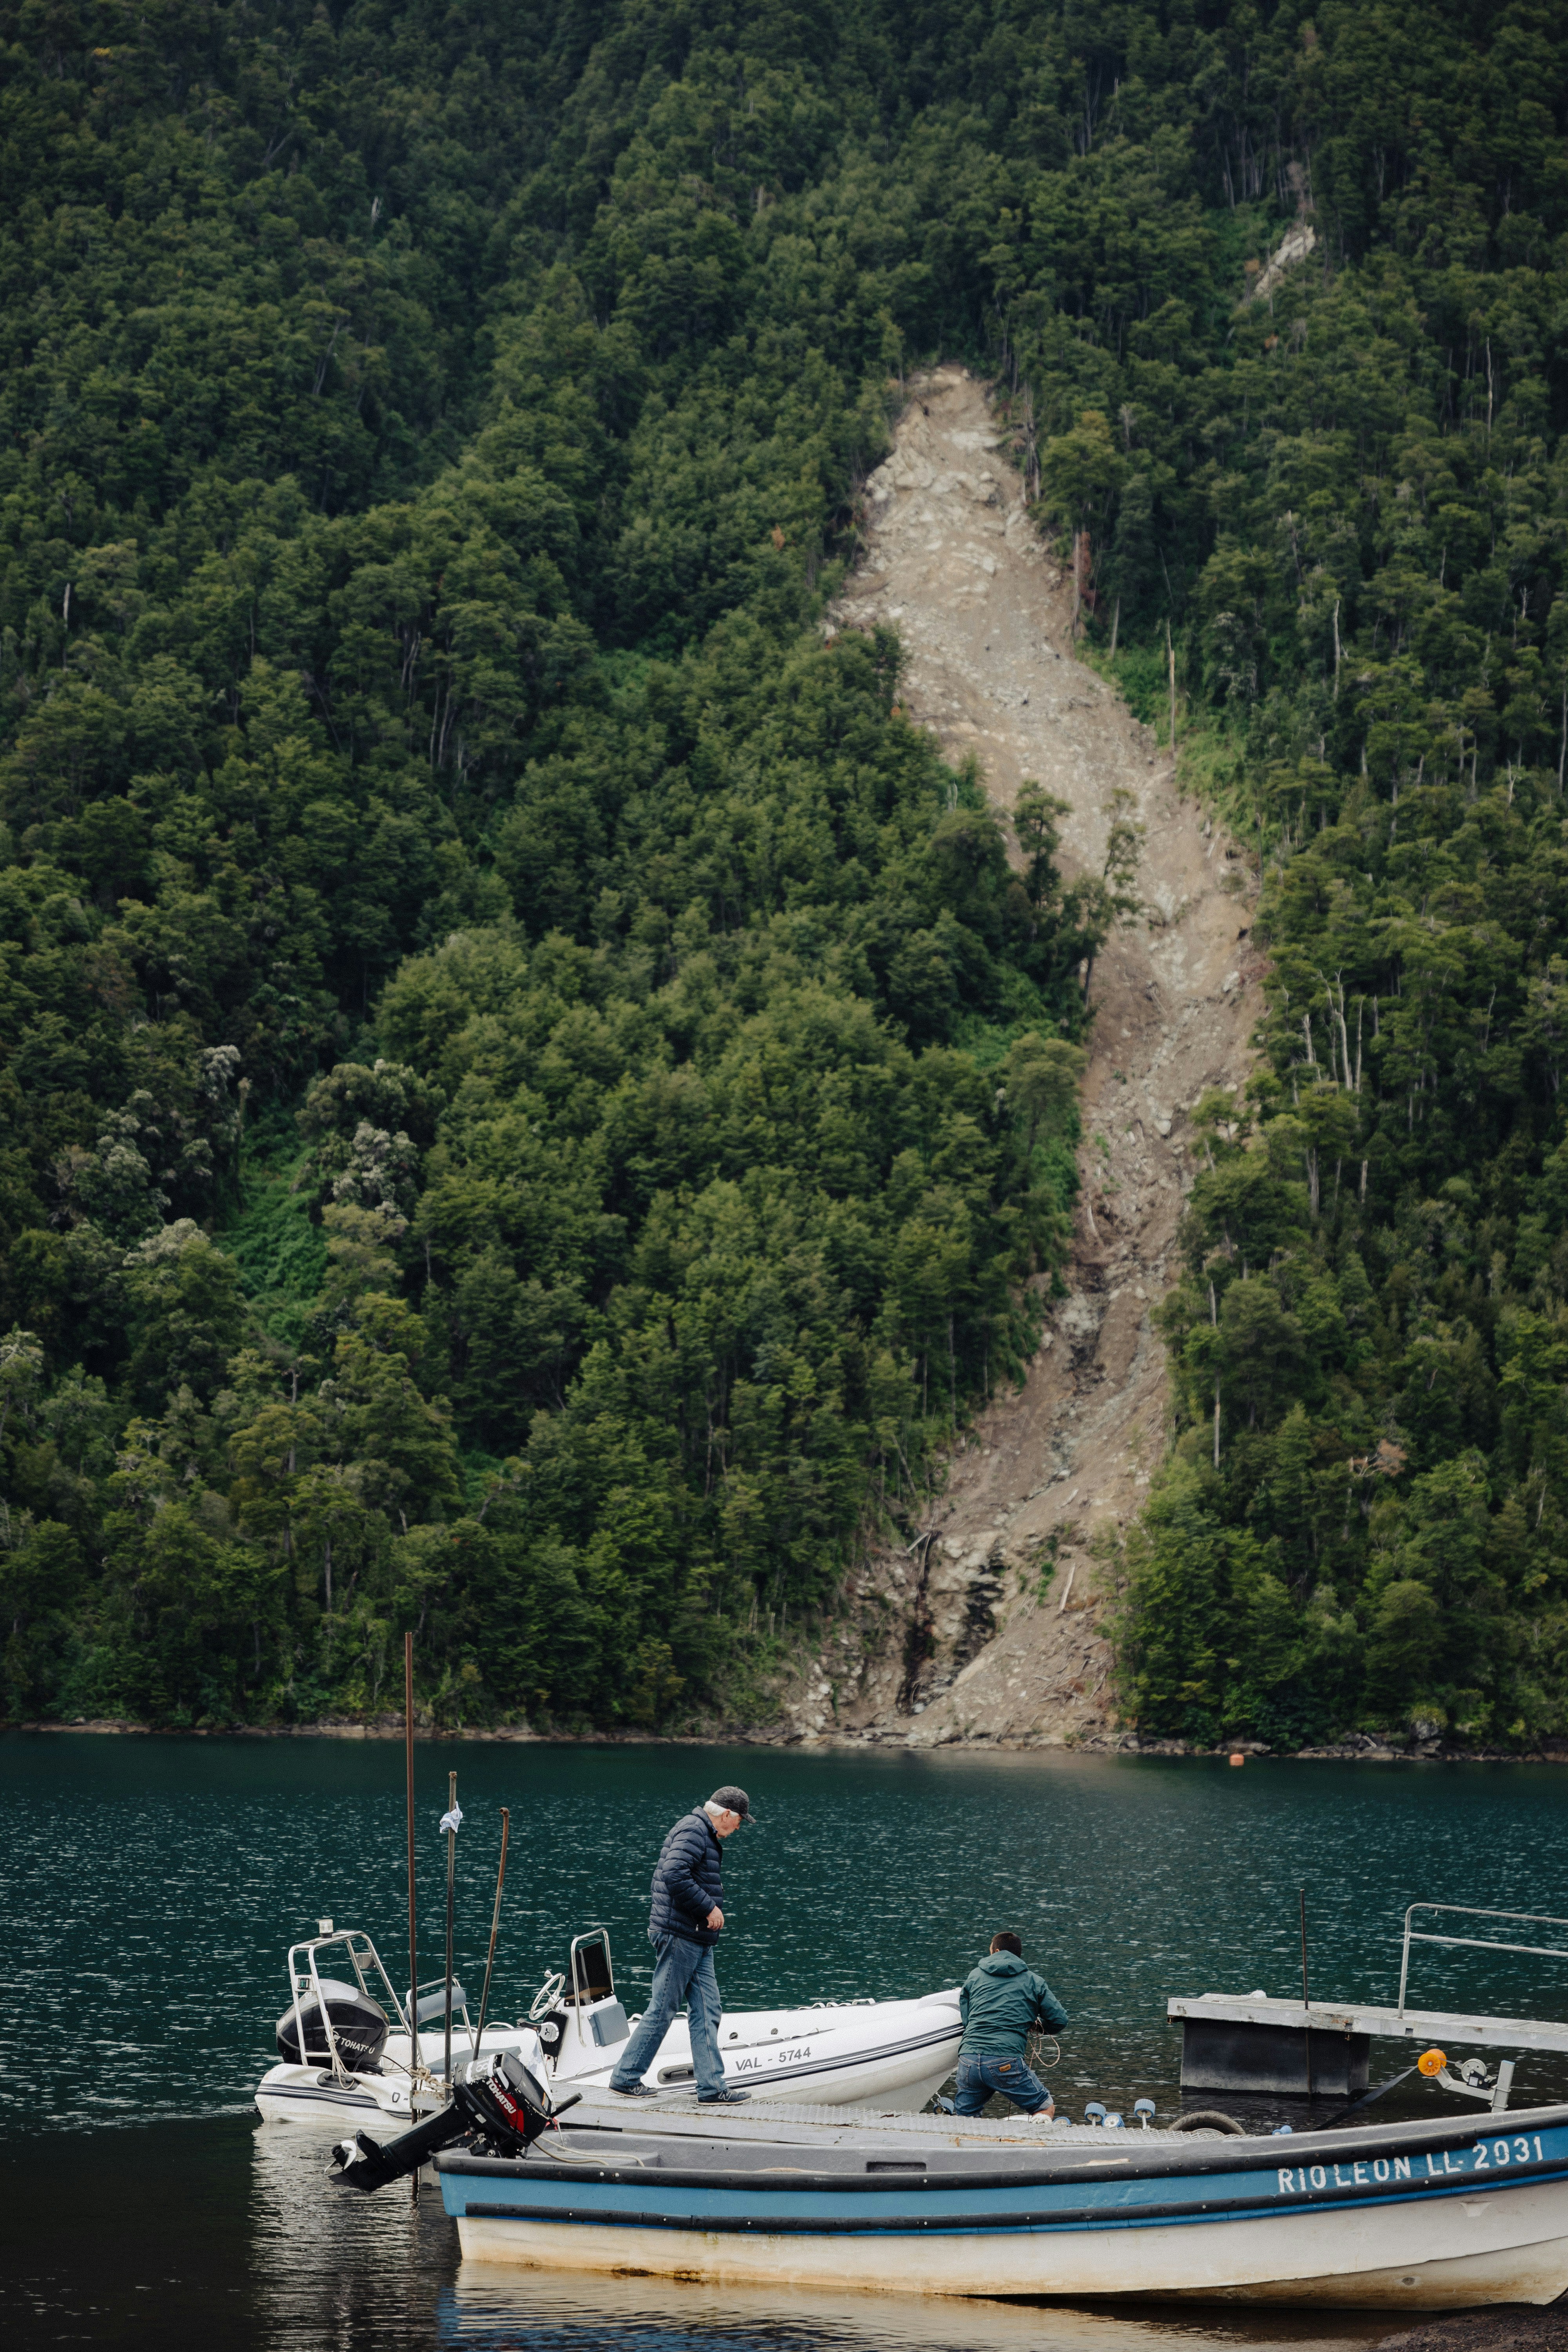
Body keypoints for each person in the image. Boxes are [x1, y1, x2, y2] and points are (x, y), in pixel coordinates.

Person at [608, 1785, 755, 2104]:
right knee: (663, 2009)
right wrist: (709, 1907)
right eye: (740, 1820)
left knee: (708, 2008)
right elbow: (674, 1874)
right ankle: (625, 2078)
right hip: (680, 1935)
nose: (739, 1827)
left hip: (696, 1936)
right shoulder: (694, 1829)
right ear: (726, 1814)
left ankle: (712, 2089)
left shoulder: (703, 1832)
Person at [953, 1930, 1068, 2118]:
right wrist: (1039, 2027)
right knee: (1045, 2108)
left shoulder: (975, 1976)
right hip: (1005, 2059)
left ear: (996, 1951)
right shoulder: (1034, 1981)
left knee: (966, 2117)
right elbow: (1060, 2020)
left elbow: (967, 2017)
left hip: (969, 2059)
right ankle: (1040, 2147)